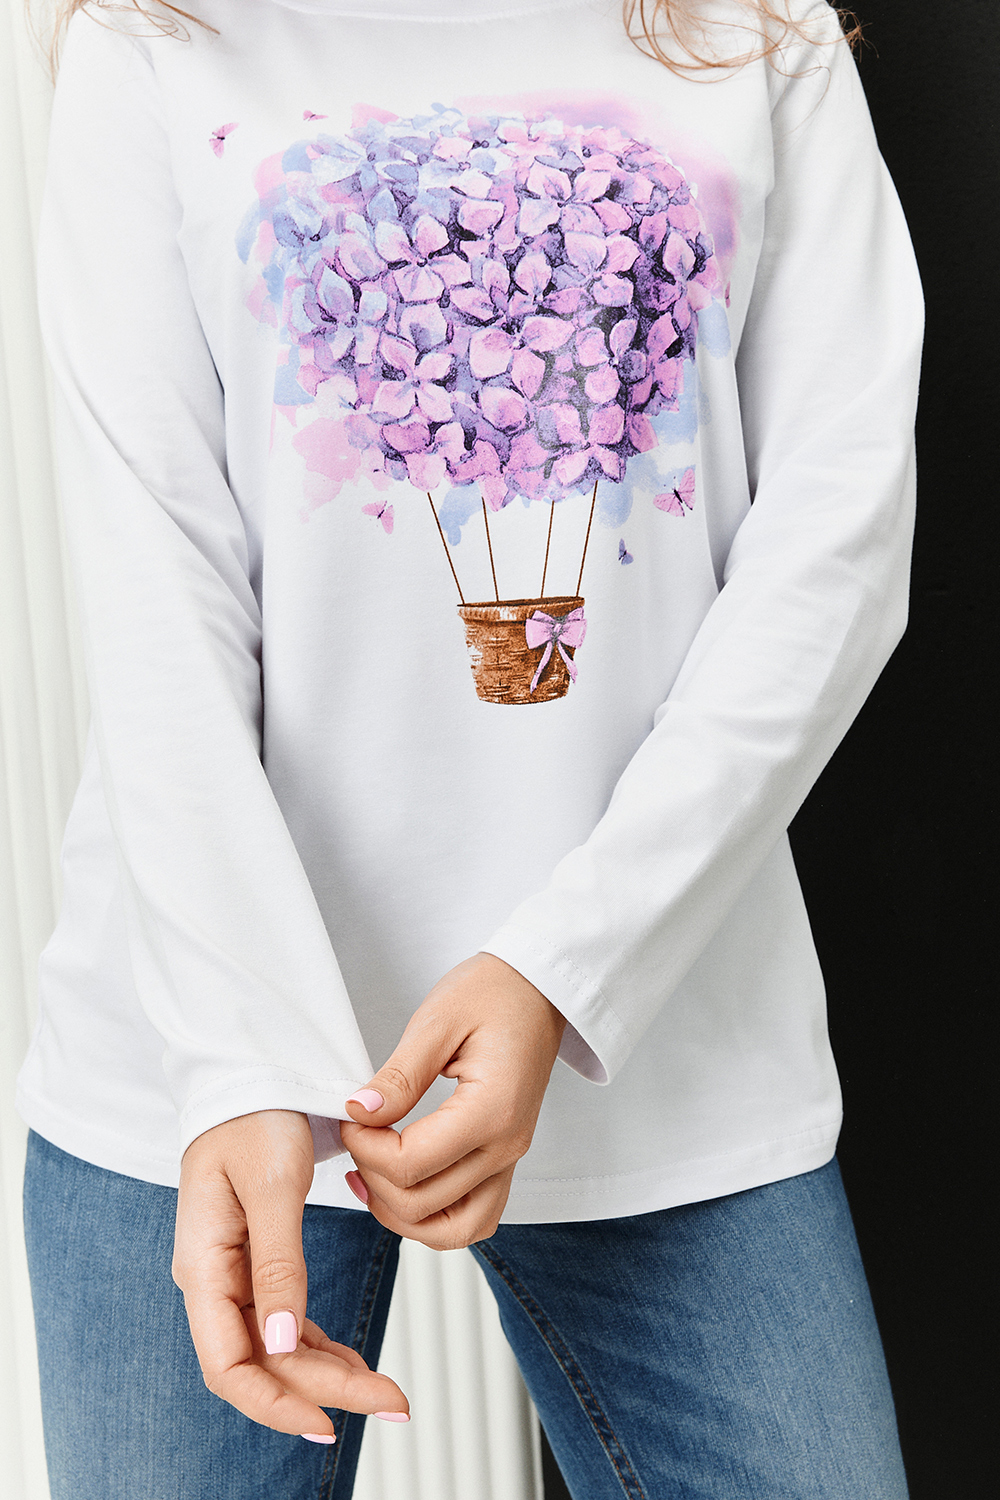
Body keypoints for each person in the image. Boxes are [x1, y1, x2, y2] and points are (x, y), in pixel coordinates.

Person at [17, 0, 922, 1495]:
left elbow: (837, 542)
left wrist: (564, 971)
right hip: (206, 1053)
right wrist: (239, 1050)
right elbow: (153, 594)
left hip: (658, 1035)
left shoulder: (756, 30)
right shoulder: (150, 38)